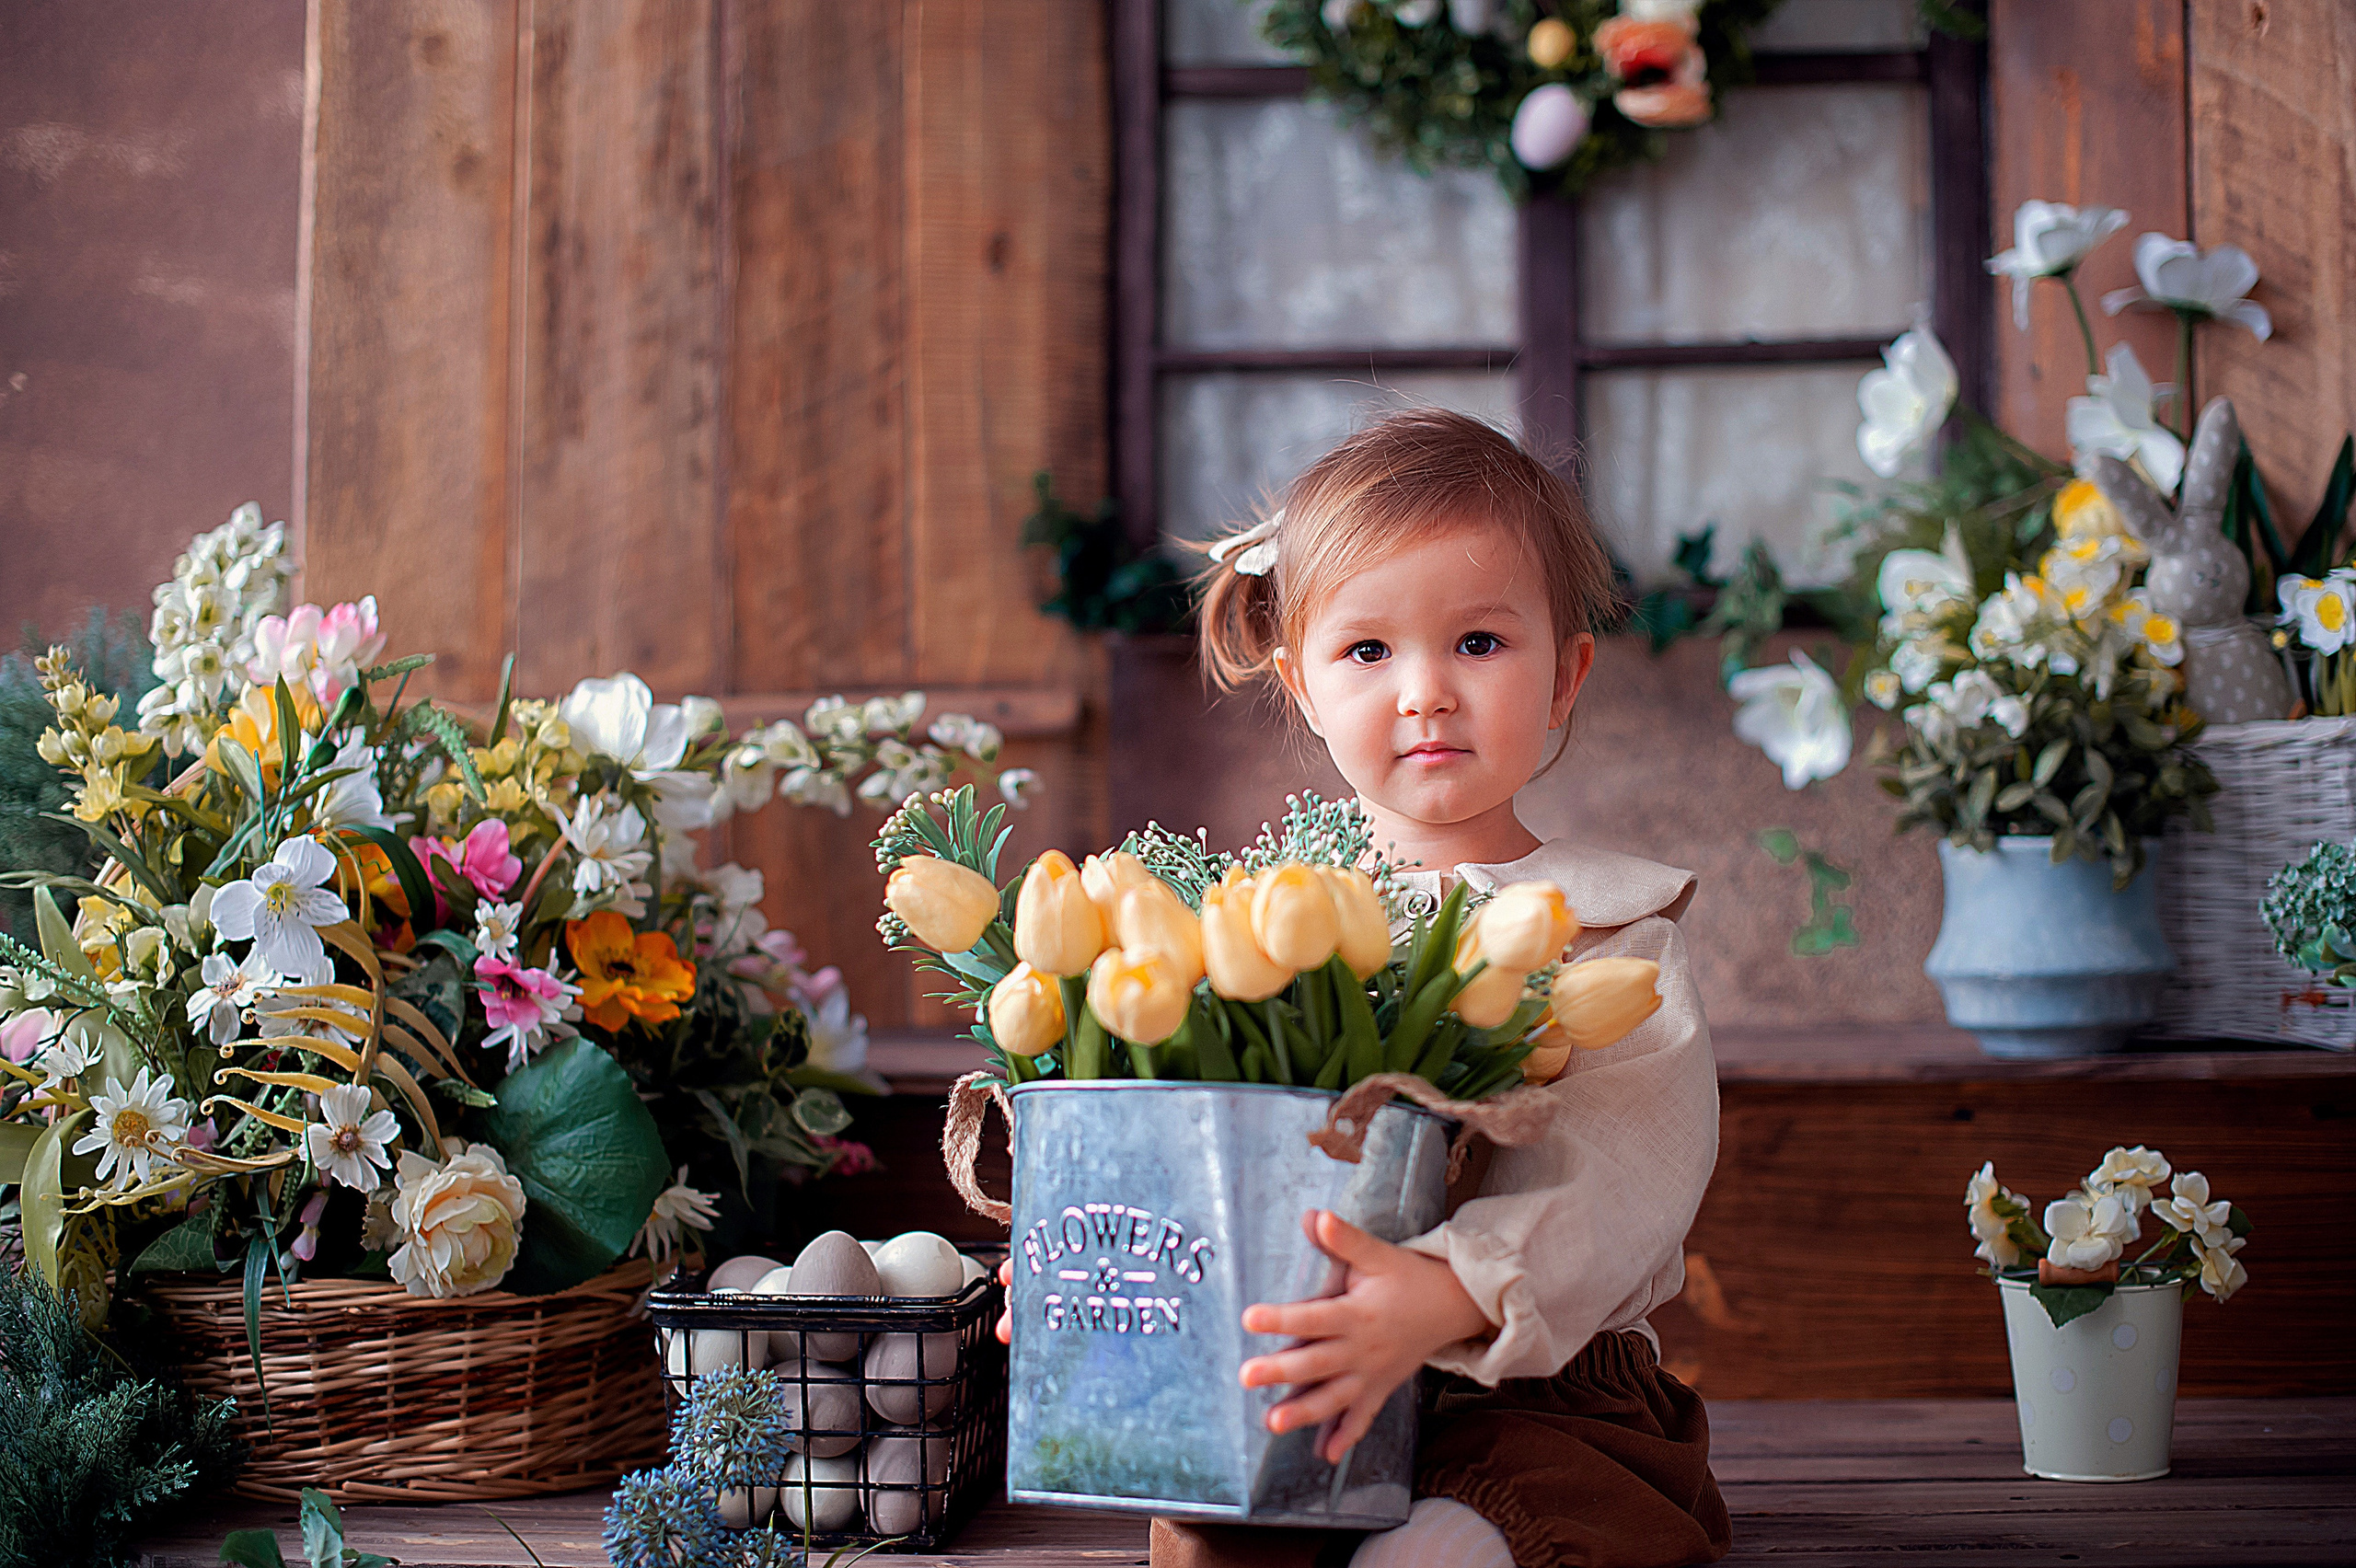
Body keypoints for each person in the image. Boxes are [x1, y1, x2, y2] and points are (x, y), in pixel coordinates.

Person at [1000, 408, 1729, 1568]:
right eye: (1368, 651)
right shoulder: (1254, 933)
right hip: (1301, 1360)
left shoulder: (1607, 936)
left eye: (1480, 644)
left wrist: (1445, 1291)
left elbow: (1625, 1179)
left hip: (1535, 1388)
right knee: (1211, 1542)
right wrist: (1102, 1263)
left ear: (1565, 674)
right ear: (1299, 685)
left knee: (1480, 1536)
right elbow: (1197, 1147)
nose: (1426, 692)